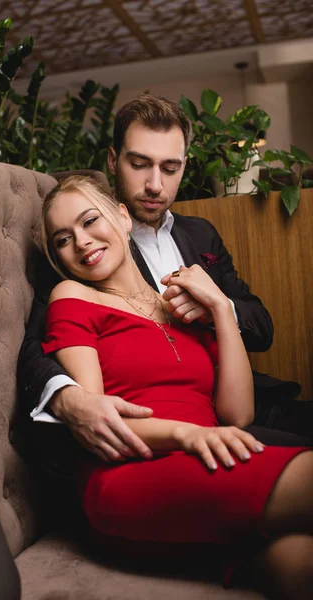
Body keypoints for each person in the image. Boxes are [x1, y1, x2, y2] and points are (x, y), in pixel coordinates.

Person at [39, 174, 312, 598]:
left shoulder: (179, 299)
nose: (81, 241)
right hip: (129, 471)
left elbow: (237, 415)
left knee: (299, 562)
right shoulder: (72, 296)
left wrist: (220, 307)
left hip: (210, 452)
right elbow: (100, 422)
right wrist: (185, 434)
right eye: (62, 239)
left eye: (90, 221)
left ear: (123, 218)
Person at [18, 93, 311, 464]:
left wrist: (217, 310)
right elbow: (33, 349)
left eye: (170, 168)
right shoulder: (82, 251)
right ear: (113, 161)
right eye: (139, 164)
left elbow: (261, 327)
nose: (155, 184)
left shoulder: (201, 235)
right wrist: (70, 399)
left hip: (244, 402)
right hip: (158, 432)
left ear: (184, 167)